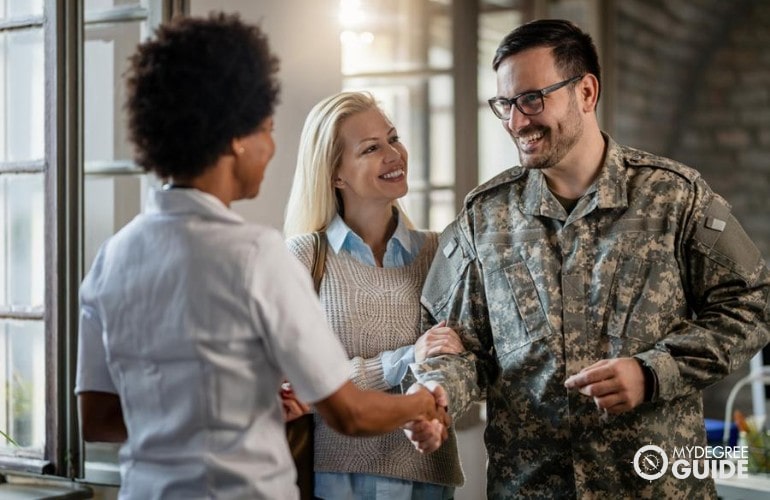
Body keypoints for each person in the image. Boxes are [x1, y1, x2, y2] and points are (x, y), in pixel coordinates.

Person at [74, 14, 448, 500]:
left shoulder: (111, 258)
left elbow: (98, 419)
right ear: (236, 136)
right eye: (267, 129)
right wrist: (420, 402)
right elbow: (348, 413)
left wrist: (205, 415)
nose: (271, 149)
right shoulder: (256, 255)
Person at [405, 18, 770, 498]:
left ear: (586, 92)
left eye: (532, 99)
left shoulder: (674, 196)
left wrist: (652, 372)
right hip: (530, 489)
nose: (517, 121)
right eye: (505, 104)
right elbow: (463, 349)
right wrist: (436, 395)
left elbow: (751, 305)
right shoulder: (485, 216)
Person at [283, 91, 465, 499]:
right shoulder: (304, 256)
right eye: (370, 148)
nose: (393, 153)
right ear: (335, 174)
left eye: (393, 138)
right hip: (337, 481)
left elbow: (462, 361)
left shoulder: (440, 251)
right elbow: (300, 384)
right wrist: (402, 360)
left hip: (428, 477)